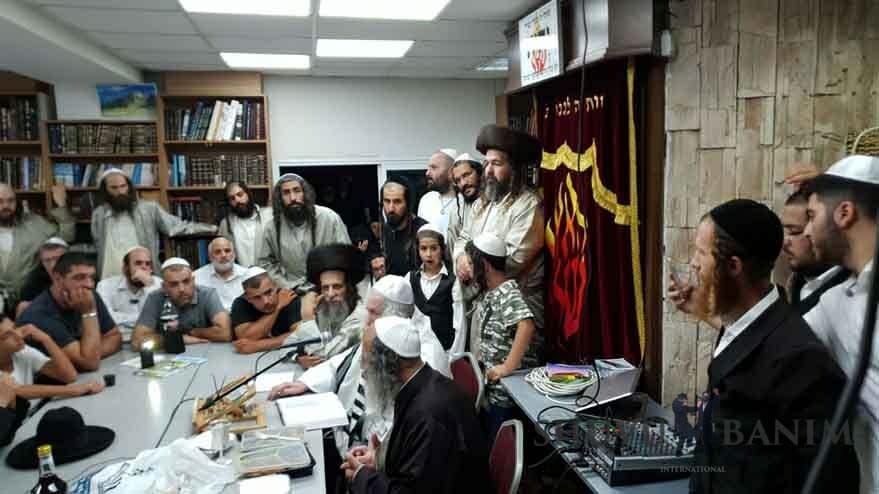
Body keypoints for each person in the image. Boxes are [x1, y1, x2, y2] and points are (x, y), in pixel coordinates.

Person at [667, 198, 858, 493]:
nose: (694, 263)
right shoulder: (744, 322)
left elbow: (831, 479)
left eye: (701, 253)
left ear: (733, 266)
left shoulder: (799, 359)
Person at [268, 275, 450, 491]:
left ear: (397, 315)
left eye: (374, 312)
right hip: (362, 443)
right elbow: (343, 362)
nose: (367, 318)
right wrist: (305, 383)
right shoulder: (385, 335)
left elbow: (407, 434)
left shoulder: (419, 357)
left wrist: (378, 457)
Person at [341, 316, 491, 494]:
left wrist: (362, 476)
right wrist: (380, 458)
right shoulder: (423, 384)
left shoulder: (428, 415)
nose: (362, 367)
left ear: (388, 362)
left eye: (366, 357)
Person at [802, 155, 879, 494]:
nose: (806, 231)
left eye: (811, 216)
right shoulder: (833, 301)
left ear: (844, 213)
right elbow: (778, 346)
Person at [454, 125, 545, 355]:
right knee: (481, 369)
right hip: (483, 304)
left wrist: (471, 267)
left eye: (496, 164)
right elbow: (463, 237)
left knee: (510, 372)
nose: (488, 170)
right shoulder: (481, 203)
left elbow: (513, 260)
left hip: (516, 310)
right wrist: (460, 258)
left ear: (514, 168)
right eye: (486, 163)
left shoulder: (528, 205)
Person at [466, 232, 539, 440]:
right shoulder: (491, 292)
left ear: (485, 265)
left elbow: (526, 325)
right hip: (494, 391)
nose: (469, 269)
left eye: (471, 264)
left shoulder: (507, 291)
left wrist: (507, 367)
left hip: (507, 395)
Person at [91, 168, 217, 280]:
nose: (120, 191)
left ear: (129, 187)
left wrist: (211, 228)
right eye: (114, 188)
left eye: (123, 186)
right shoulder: (98, 215)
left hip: (143, 276)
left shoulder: (148, 209)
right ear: (105, 190)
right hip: (109, 278)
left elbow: (176, 227)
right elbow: (98, 247)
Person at [17, 252, 122, 371]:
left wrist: (92, 352)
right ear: (57, 278)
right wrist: (89, 313)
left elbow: (115, 337)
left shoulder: (87, 295)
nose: (89, 285)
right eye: (80, 277)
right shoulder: (39, 315)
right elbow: (90, 363)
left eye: (92, 277)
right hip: (47, 381)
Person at [259, 173, 350, 292]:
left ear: (306, 193)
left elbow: (345, 256)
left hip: (327, 290)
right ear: (279, 198)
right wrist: (286, 285)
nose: (293, 198)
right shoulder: (272, 228)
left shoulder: (329, 218)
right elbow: (265, 263)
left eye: (297, 191)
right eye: (286, 193)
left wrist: (329, 283)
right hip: (291, 292)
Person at [282, 243, 367, 368]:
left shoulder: (359, 317)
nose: (330, 294)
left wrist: (308, 320)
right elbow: (287, 344)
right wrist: (298, 358)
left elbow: (324, 357)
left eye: (337, 287)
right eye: (325, 288)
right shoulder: (324, 309)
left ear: (349, 289)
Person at [0, 183, 73, 315]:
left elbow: (66, 237)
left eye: (10, 200)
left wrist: (61, 206)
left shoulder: (34, 223)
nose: (6, 206)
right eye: (0, 201)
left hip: (30, 300)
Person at [132, 258, 231, 351]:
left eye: (186, 281)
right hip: (170, 354)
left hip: (207, 351)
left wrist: (192, 332)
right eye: (174, 284)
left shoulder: (207, 294)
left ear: (193, 281)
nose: (181, 289)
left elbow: (225, 333)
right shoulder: (155, 298)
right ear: (164, 287)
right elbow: (137, 341)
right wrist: (178, 339)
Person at [0, 316, 103, 402]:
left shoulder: (22, 351)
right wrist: (75, 390)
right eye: (7, 336)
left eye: (15, 328)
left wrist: (46, 339)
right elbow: (16, 390)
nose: (18, 335)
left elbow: (69, 376)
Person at [781, 189, 849, 313]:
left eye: (794, 232)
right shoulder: (793, 286)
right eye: (784, 232)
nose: (785, 243)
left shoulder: (849, 292)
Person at [408, 224, 463, 355]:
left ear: (442, 249)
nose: (428, 254)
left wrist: (454, 356)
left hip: (445, 352)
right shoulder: (410, 278)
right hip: (417, 352)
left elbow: (460, 324)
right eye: (423, 248)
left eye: (433, 248)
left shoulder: (452, 281)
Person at [96, 246, 162, 341]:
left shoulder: (158, 284)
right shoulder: (105, 286)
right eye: (138, 263)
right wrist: (147, 320)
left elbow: (163, 317)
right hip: (117, 341)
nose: (144, 268)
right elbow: (106, 320)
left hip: (149, 340)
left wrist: (150, 286)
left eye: (147, 264)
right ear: (125, 268)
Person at [230, 267, 303, 355]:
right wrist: (277, 308)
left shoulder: (289, 298)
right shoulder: (240, 303)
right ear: (247, 298)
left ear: (276, 287)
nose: (266, 301)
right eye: (257, 297)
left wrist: (258, 345)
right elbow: (245, 338)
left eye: (268, 292)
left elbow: (300, 335)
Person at [218, 181, 273, 268]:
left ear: (248, 194)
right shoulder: (225, 224)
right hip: (240, 275)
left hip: (268, 273)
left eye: (240, 195)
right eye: (232, 198)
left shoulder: (269, 216)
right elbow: (222, 255)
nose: (237, 200)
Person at [379, 179, 428, 276]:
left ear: (408, 204)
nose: (391, 208)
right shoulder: (382, 231)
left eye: (397, 202)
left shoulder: (423, 231)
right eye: (387, 201)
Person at [16, 237, 68, 318]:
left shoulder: (81, 278)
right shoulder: (33, 285)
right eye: (47, 260)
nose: (52, 265)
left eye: (56, 259)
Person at [193, 237, 248, 311]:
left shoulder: (247, 275)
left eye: (227, 251)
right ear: (210, 257)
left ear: (234, 254)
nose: (223, 255)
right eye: (217, 252)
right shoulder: (197, 278)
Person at [417, 148, 460, 239]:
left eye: (434, 168)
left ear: (451, 172)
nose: (427, 173)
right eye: (428, 168)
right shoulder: (426, 199)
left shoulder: (465, 202)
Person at [447, 153, 483, 255]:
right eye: (458, 180)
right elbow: (453, 246)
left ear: (480, 173)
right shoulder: (456, 210)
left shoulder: (496, 200)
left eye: (466, 175)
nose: (463, 183)